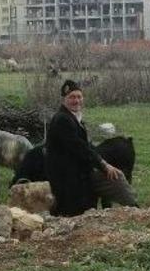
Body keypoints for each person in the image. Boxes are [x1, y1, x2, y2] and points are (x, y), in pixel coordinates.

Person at [44, 79, 137, 216]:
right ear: (64, 100)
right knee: (115, 177)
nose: (76, 101)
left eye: (79, 97)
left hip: (78, 172)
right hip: (67, 177)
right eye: (72, 97)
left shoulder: (72, 117)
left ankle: (135, 210)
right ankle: (136, 210)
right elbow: (80, 148)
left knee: (115, 177)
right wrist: (103, 165)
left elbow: (86, 146)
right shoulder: (63, 120)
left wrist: (100, 163)